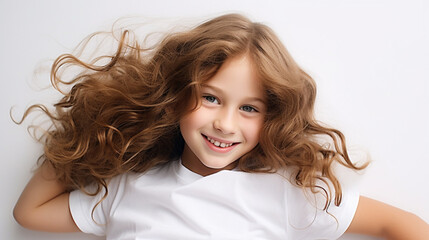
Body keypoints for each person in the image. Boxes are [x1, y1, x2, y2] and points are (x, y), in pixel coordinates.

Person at [13, 13, 428, 239]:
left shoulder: (285, 194)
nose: (225, 123)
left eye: (250, 108)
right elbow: (28, 213)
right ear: (176, 96)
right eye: (210, 98)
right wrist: (90, 128)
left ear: (273, 118)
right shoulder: (129, 188)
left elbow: (404, 226)